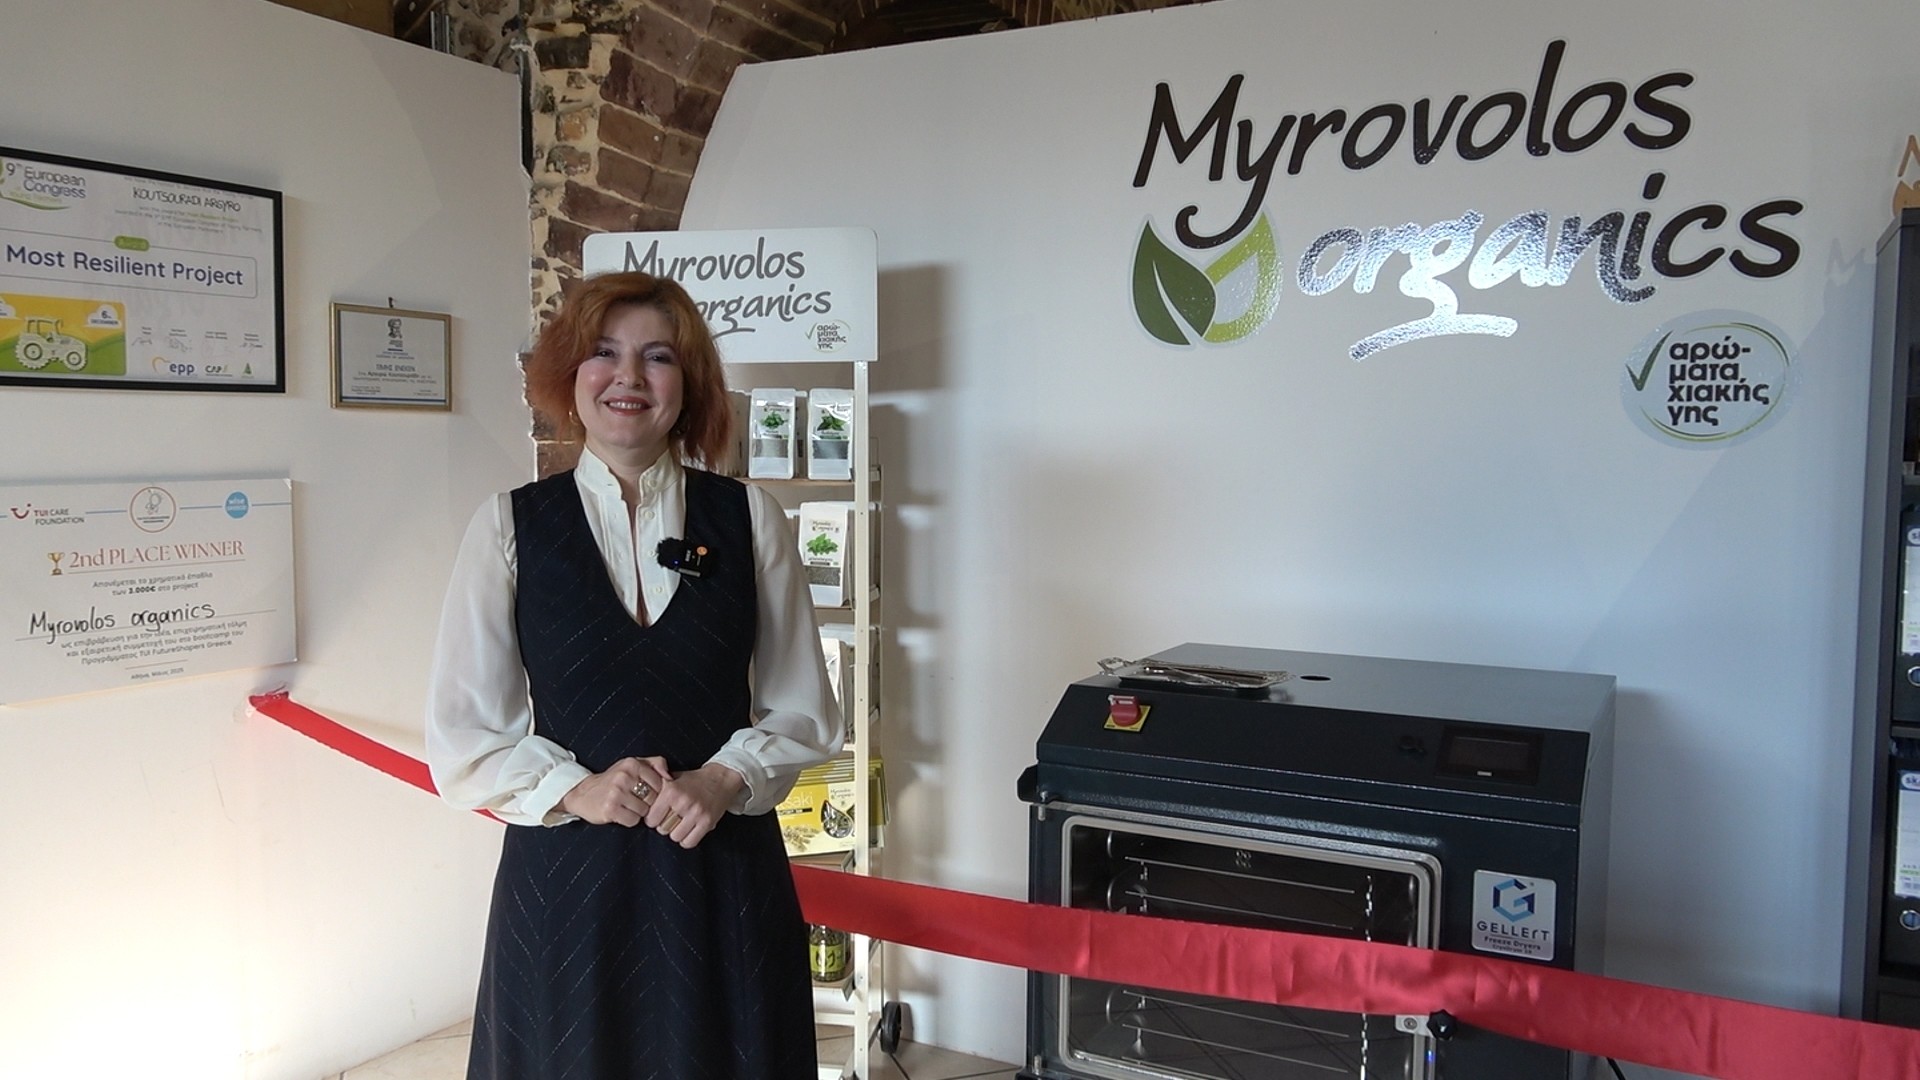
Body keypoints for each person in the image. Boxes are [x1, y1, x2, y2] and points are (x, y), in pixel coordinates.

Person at [425, 271, 843, 1079]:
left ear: (688, 384)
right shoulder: (509, 527)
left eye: (658, 356)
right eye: (603, 353)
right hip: (569, 888)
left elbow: (803, 708)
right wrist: (577, 788)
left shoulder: (751, 519)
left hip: (720, 875)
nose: (628, 377)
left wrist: (723, 778)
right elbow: (464, 733)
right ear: (569, 374)